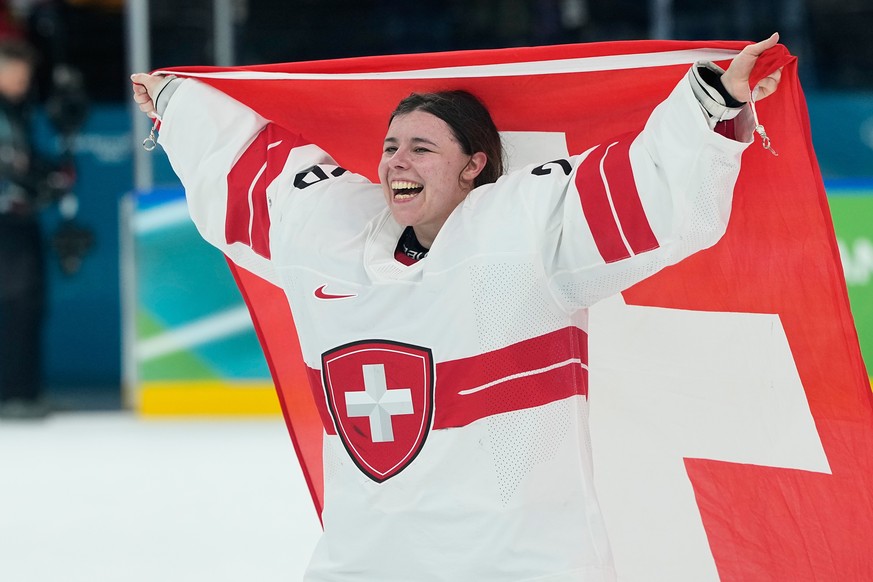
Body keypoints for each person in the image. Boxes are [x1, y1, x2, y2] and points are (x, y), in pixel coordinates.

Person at [132, 34, 782, 581]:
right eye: (389, 146)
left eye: (421, 147)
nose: (395, 161)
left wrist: (712, 101)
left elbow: (652, 190)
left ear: (474, 165)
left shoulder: (527, 236)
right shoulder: (323, 233)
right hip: (366, 563)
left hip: (517, 566)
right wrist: (175, 100)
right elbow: (246, 166)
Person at [0, 38, 49, 420]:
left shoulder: (19, 110)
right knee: (15, 303)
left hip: (20, 219)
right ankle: (13, 393)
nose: (22, 81)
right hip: (5, 222)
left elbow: (23, 159)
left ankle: (24, 391)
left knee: (29, 303)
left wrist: (43, 175)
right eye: (15, 73)